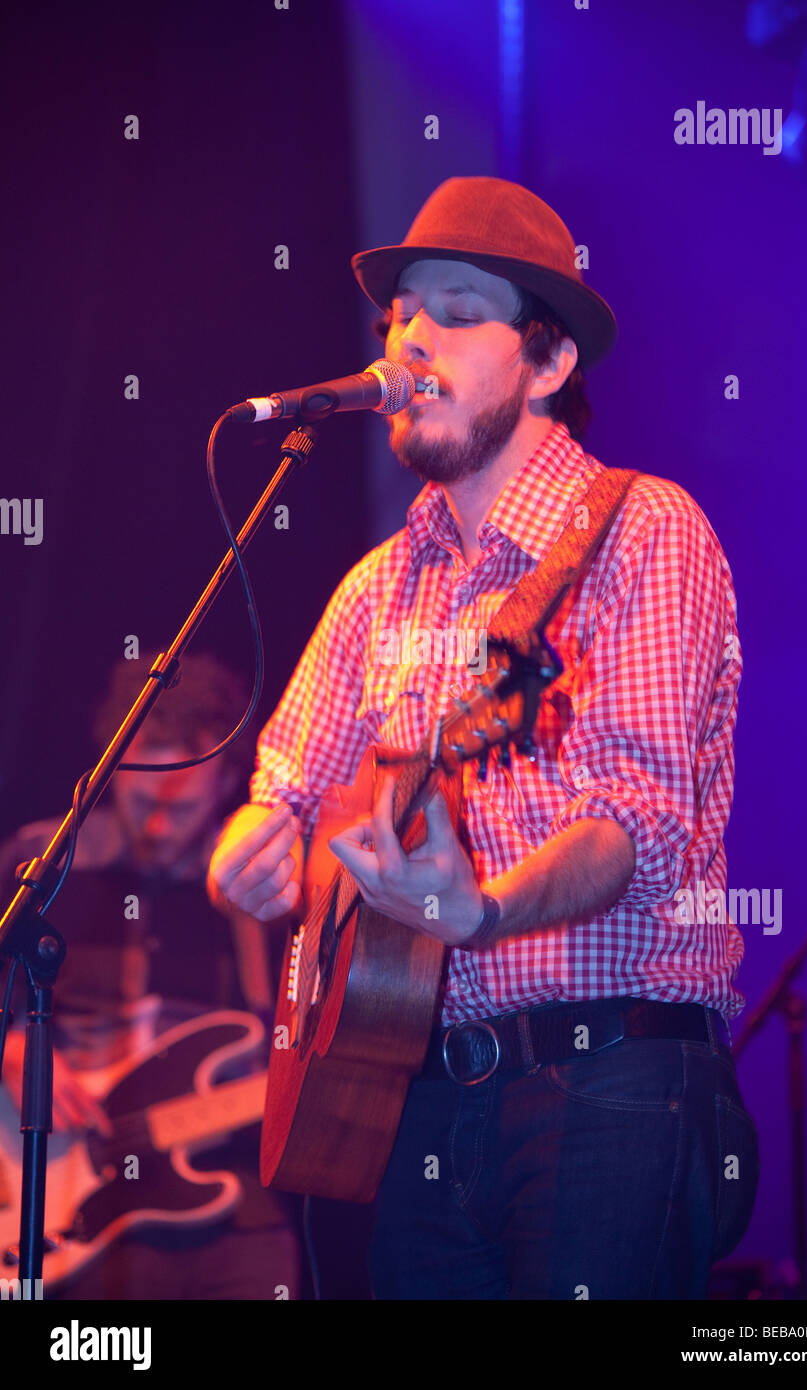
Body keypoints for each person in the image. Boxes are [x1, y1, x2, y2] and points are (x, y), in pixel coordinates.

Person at [208, 176, 760, 1300]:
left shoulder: (643, 531)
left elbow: (635, 823)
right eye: (397, 319)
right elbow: (286, 785)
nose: (409, 339)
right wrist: (255, 850)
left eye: (454, 311)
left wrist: (485, 910)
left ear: (549, 363)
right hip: (409, 1098)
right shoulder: (378, 585)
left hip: (611, 1083)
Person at [0, 653, 303, 1300]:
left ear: (226, 783)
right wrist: (10, 1048)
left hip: (225, 1194)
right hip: (49, 1189)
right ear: (110, 772)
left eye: (183, 804)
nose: (160, 824)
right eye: (143, 799)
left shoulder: (264, 888)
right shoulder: (40, 862)